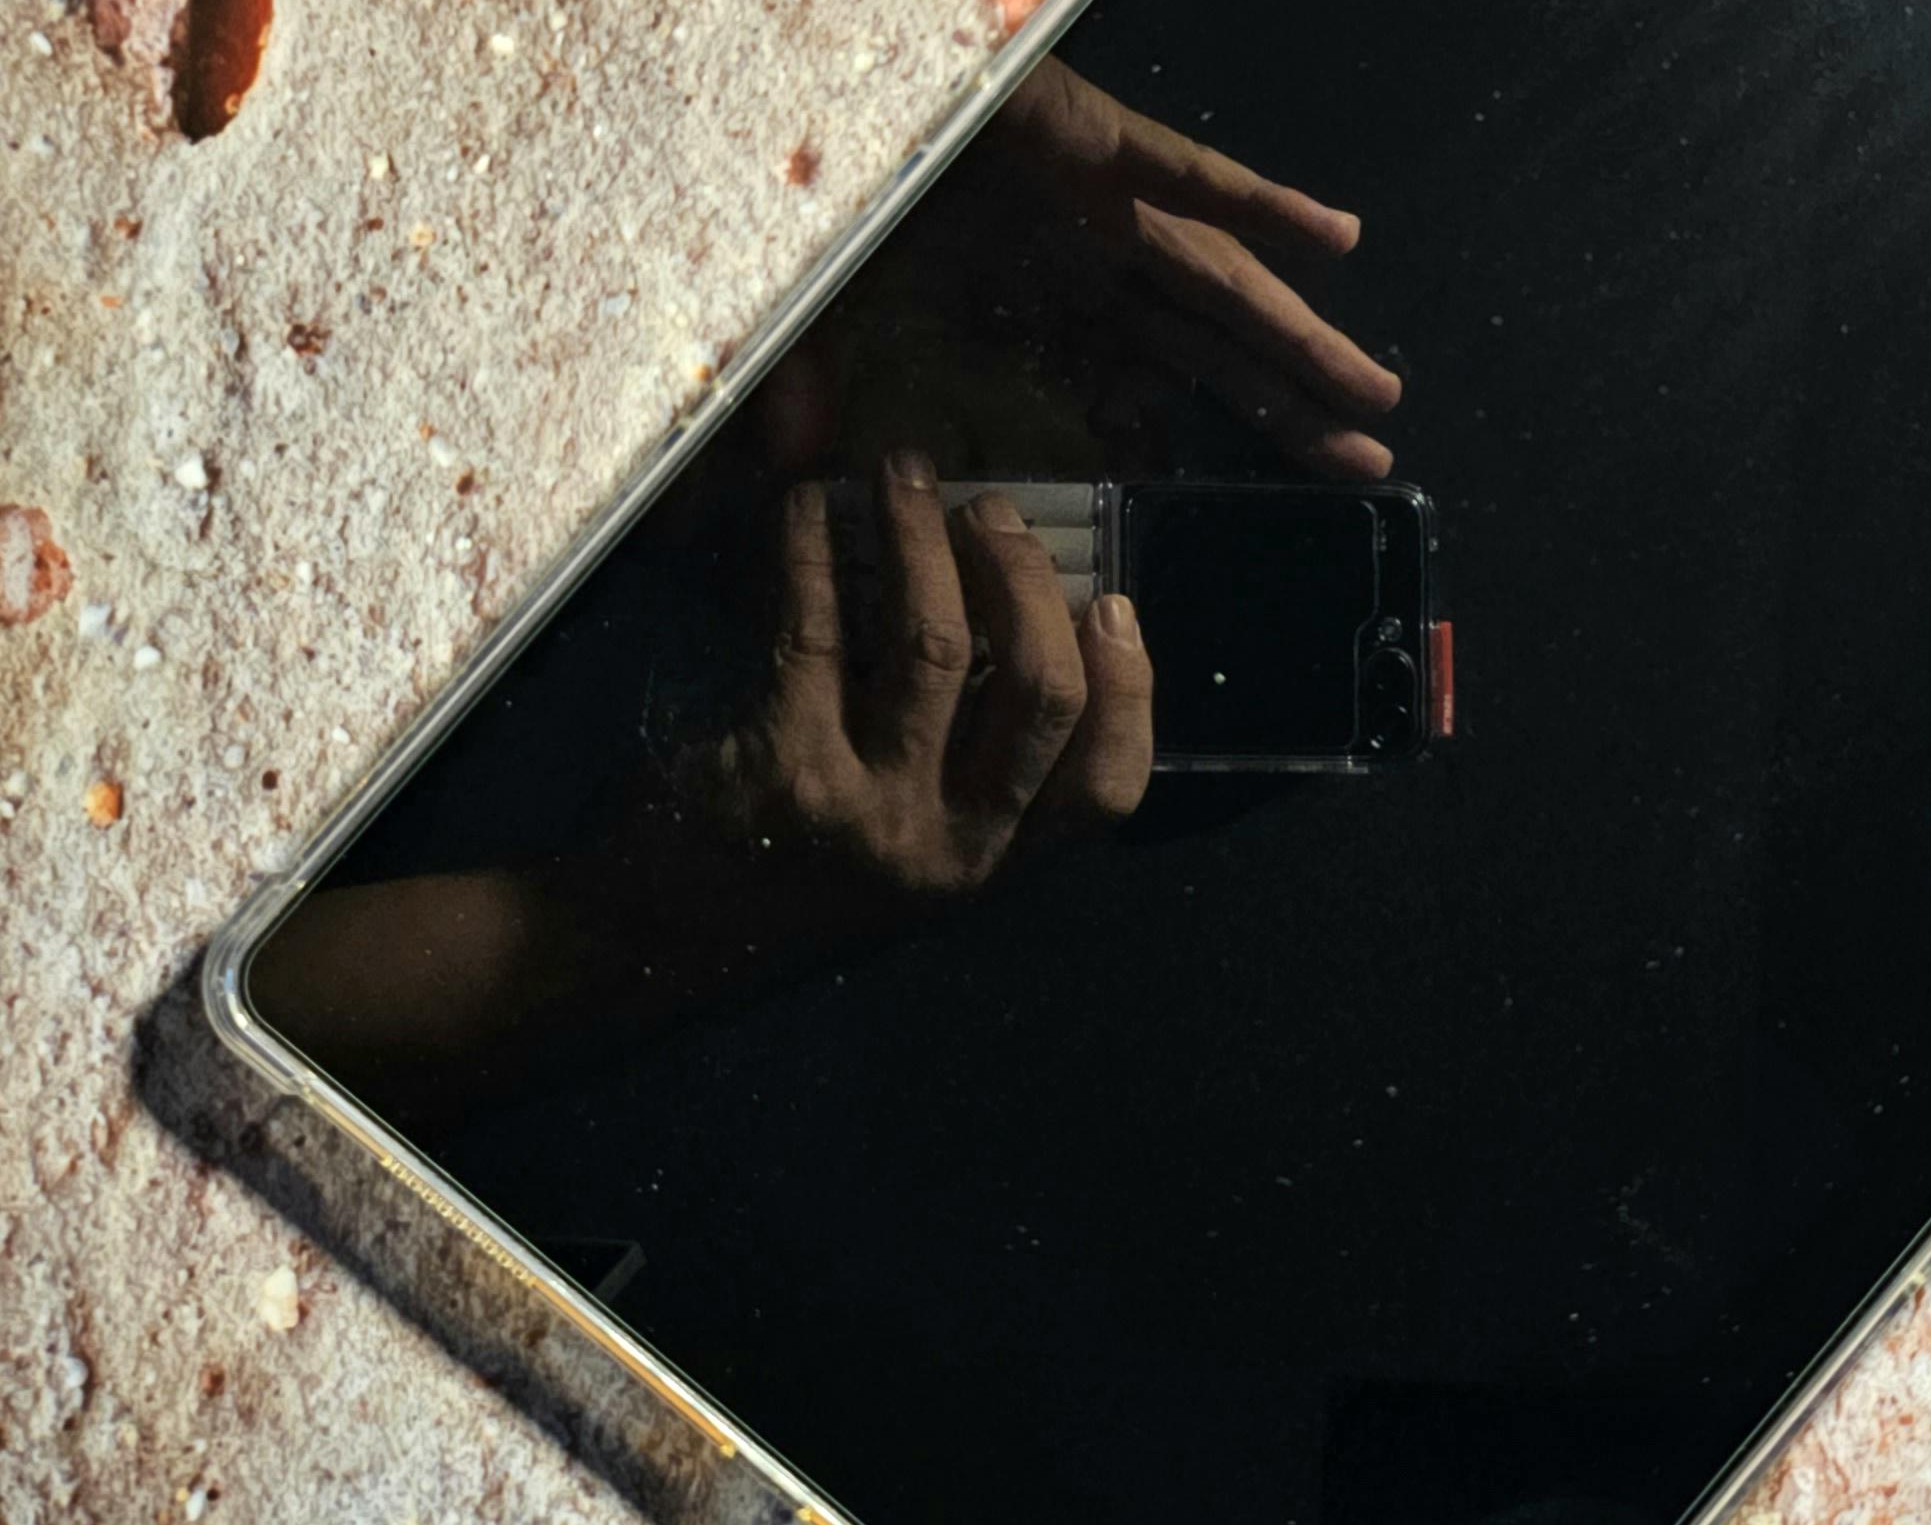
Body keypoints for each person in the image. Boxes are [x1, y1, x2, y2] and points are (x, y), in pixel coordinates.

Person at [248, 55, 1400, 1118]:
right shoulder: (859, 177)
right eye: (1108, 382)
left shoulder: (639, 800)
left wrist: (673, 921)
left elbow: (195, 1006)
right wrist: (909, 85)